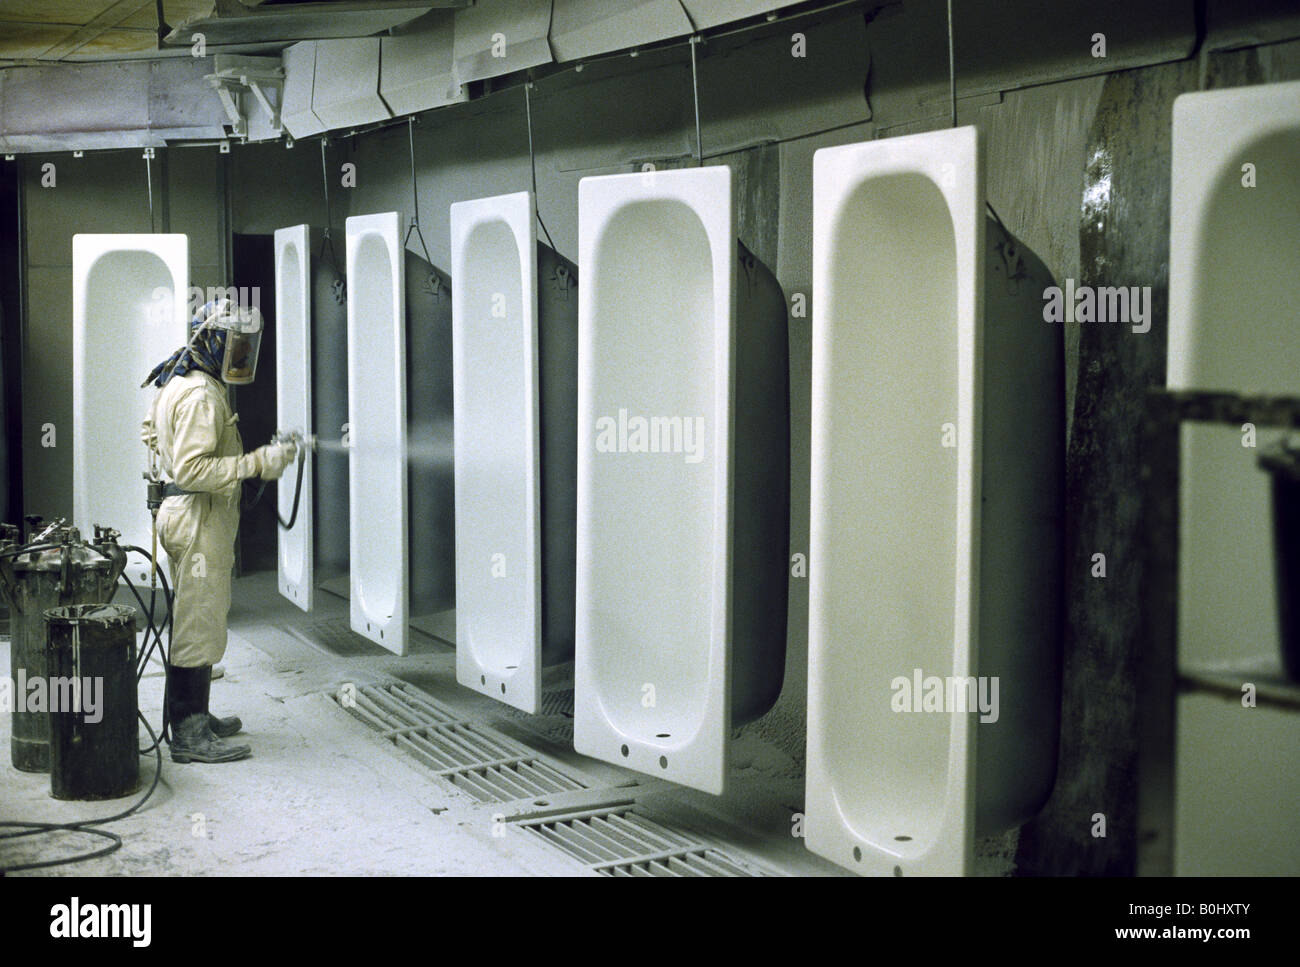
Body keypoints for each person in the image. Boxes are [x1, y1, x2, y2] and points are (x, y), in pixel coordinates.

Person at [140, 298, 297, 764]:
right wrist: (256, 463)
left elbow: (149, 431)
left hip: (182, 514)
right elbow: (191, 469)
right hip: (198, 515)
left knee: (195, 613)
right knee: (199, 619)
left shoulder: (180, 380)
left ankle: (192, 716)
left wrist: (167, 463)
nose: (242, 355)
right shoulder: (203, 395)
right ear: (212, 340)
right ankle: (188, 735)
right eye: (235, 344)